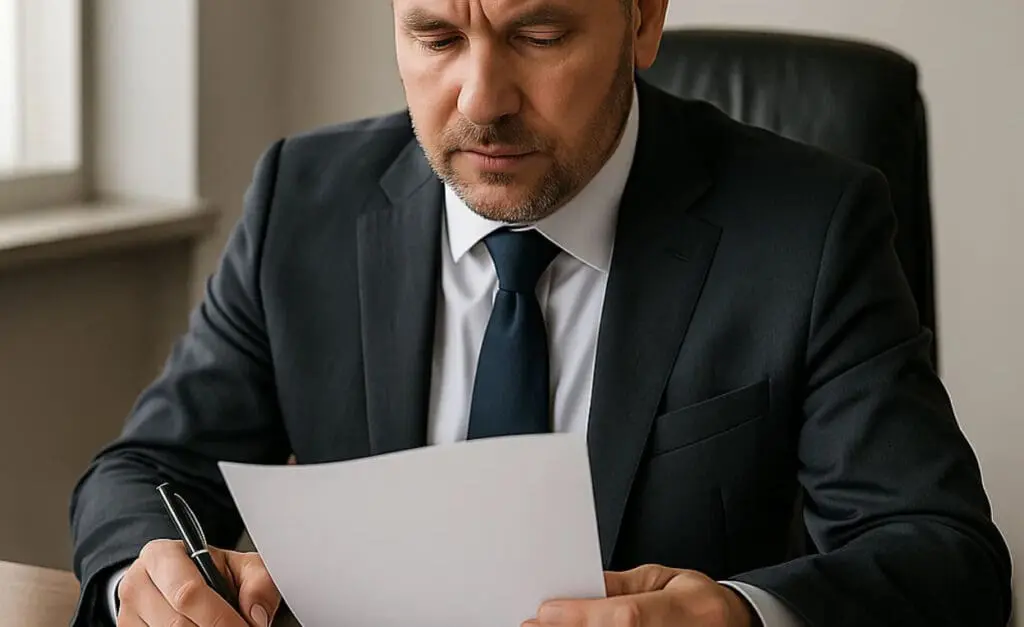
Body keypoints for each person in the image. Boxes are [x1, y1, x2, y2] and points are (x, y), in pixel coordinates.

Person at [69, 0, 1012, 625]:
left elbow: (945, 557)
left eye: (540, 35)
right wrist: (146, 578)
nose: (482, 101)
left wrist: (734, 612)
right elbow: (144, 469)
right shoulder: (303, 201)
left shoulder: (808, 226)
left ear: (643, 19)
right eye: (436, 37)